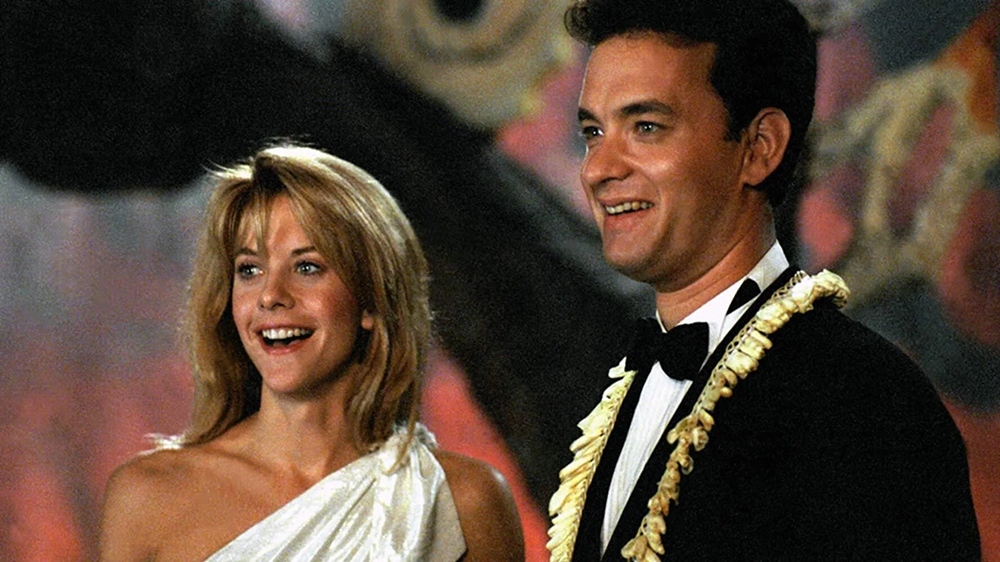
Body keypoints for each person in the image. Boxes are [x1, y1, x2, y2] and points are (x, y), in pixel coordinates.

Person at [546, 1, 982, 561]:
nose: (598, 168)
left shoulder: (865, 401)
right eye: (593, 132)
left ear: (759, 148)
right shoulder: (624, 390)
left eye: (646, 127)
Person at [98, 144, 524, 561]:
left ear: (371, 300)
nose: (270, 295)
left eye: (307, 267)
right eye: (249, 269)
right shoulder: (147, 497)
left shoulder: (463, 502)